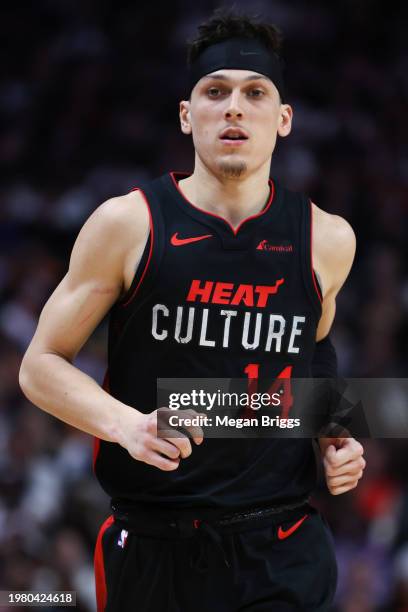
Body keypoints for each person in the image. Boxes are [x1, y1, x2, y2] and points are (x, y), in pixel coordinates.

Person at [19, 9, 366, 612]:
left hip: (281, 546)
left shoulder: (327, 238)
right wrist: (126, 425)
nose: (234, 107)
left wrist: (337, 431)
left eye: (255, 93)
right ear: (187, 114)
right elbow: (39, 365)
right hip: (156, 546)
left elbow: (314, 353)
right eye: (216, 91)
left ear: (283, 120)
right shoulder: (129, 223)